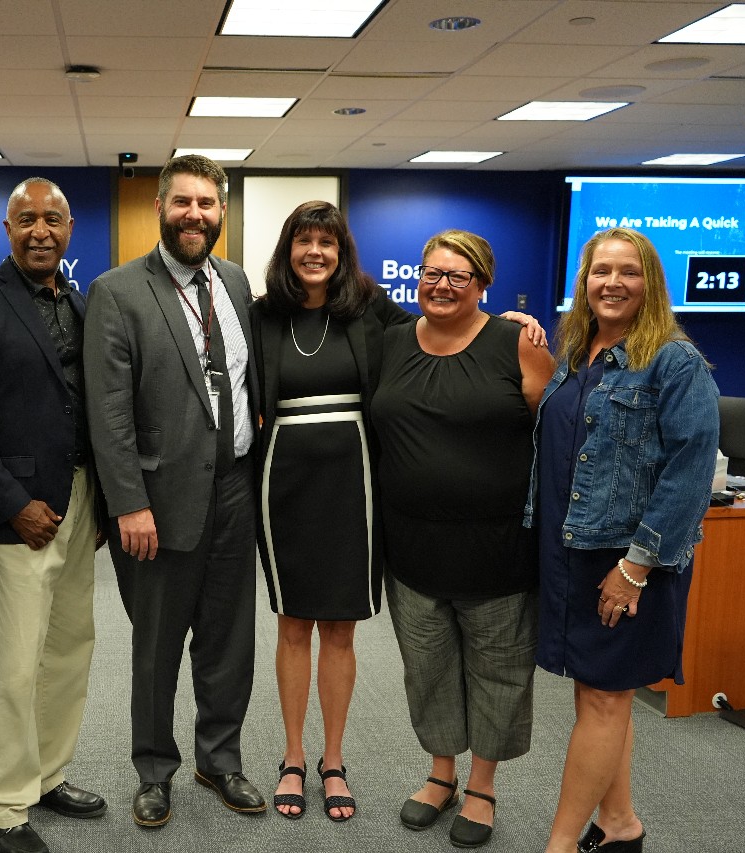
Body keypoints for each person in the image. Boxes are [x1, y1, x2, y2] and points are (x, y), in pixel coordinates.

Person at [83, 154, 264, 828]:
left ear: (222, 212)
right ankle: (154, 769)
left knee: (229, 640)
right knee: (157, 646)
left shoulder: (238, 283)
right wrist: (129, 501)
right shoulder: (119, 291)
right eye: (183, 202)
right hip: (156, 505)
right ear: (160, 207)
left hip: (235, 490)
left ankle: (219, 758)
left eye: (207, 204)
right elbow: (108, 413)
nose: (196, 214)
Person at [528, 228, 718, 853]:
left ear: (651, 285)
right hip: (572, 553)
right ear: (583, 283)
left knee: (605, 700)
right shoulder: (580, 354)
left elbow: (690, 474)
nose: (612, 283)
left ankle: (559, 845)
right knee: (599, 697)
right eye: (600, 271)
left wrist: (635, 566)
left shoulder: (673, 361)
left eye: (628, 272)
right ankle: (620, 825)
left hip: (626, 562)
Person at [0, 178, 106, 853]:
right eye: (27, 218)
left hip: (80, 502)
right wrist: (13, 503)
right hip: (17, 515)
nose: (41, 230)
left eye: (54, 219)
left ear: (69, 231)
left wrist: (97, 504)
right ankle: (2, 803)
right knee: (12, 664)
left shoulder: (82, 303)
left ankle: (47, 775)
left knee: (68, 651)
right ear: (7, 229)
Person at [371, 230, 556, 849]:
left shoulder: (516, 344)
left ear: (483, 284)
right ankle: (440, 775)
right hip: (412, 550)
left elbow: (558, 437)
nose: (441, 285)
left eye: (457, 275)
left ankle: (482, 785)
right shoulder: (392, 342)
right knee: (427, 671)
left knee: (497, 671)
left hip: (497, 550)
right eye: (432, 273)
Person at [250, 200, 416, 822]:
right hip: (282, 478)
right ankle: (293, 757)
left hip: (357, 480)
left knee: (340, 627)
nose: (315, 252)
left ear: (342, 251)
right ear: (288, 249)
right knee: (293, 623)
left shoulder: (372, 311)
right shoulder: (264, 315)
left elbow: (446, 329)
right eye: (304, 241)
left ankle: (334, 758)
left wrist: (511, 323)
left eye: (327, 242)